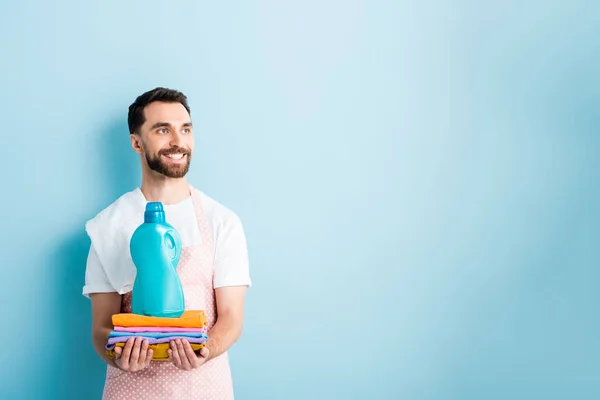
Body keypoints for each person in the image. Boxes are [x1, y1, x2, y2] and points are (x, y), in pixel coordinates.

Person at [82, 87, 251, 399]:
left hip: (204, 388)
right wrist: (118, 356)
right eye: (163, 130)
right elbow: (100, 329)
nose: (178, 141)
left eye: (185, 129)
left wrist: (207, 348)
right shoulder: (109, 226)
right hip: (131, 391)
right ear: (136, 142)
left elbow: (231, 318)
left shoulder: (222, 221)